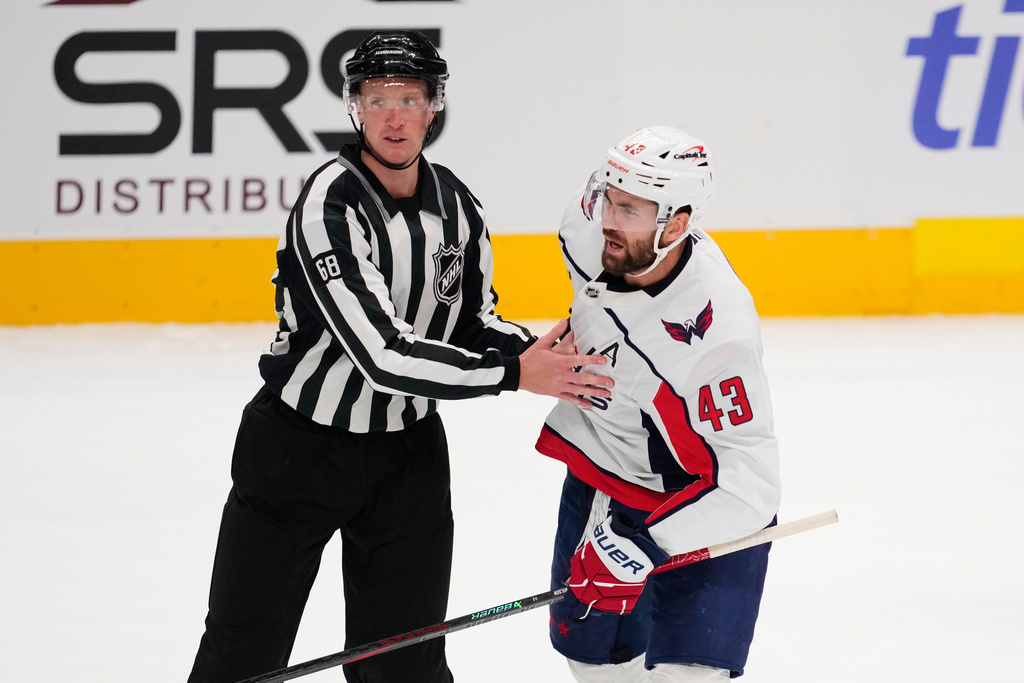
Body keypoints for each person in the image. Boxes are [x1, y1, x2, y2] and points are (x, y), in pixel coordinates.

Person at [186, 30, 612, 683]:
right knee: (241, 656)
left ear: (433, 108)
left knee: (405, 665)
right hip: (296, 455)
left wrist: (538, 350)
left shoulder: (459, 207)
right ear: (355, 105)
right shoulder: (329, 201)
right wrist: (514, 372)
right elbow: (379, 353)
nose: (394, 115)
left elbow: (473, 318)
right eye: (378, 97)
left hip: (405, 459)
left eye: (410, 98)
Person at [535, 126, 782, 682]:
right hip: (611, 472)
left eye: (630, 210)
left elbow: (749, 485)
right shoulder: (587, 228)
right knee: (592, 665)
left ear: (677, 223)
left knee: (686, 677)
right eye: (609, 199)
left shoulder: (718, 336)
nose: (608, 220)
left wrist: (645, 544)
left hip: (707, 505)